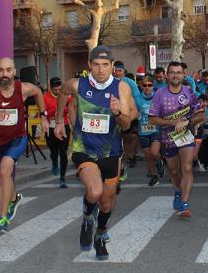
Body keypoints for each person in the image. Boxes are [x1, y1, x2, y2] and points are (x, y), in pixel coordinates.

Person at [54, 45, 135, 260]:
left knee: (107, 202)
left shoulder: (122, 88)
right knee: (95, 191)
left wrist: (118, 112)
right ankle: (87, 216)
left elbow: (126, 125)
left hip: (111, 151)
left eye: (105, 65)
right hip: (84, 148)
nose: (101, 70)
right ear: (89, 65)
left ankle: (100, 236)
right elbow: (62, 93)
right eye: (96, 65)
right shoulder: (77, 85)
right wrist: (59, 121)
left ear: (112, 66)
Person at [0, 57, 45, 232]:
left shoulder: (23, 88)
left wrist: (43, 115)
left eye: (8, 70)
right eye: (1, 70)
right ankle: (14, 199)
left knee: (5, 171)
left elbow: (38, 92)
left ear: (14, 71)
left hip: (17, 138)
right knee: (1, 175)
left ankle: (3, 217)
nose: (4, 74)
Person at [149, 61, 206, 218]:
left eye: (178, 72)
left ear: (183, 75)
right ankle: (178, 190)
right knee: (174, 171)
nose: (175, 75)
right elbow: (152, 119)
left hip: (185, 136)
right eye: (172, 72)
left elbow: (202, 115)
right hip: (167, 138)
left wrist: (187, 122)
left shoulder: (189, 92)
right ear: (167, 75)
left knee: (187, 167)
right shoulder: (160, 93)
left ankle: (185, 203)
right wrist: (172, 122)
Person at [113, 61, 142, 183]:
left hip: (127, 115)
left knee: (126, 141)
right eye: (116, 70)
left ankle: (123, 164)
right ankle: (115, 166)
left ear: (124, 71)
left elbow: (137, 98)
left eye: (120, 70)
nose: (117, 73)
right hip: (113, 117)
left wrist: (137, 113)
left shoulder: (130, 83)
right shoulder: (108, 82)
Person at [41, 77, 71, 188]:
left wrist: (64, 109)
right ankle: (54, 161)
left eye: (59, 89)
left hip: (64, 125)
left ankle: (62, 178)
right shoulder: (44, 97)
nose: (58, 92)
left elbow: (71, 108)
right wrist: (56, 110)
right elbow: (44, 112)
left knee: (63, 153)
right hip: (50, 126)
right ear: (51, 88)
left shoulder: (66, 96)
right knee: (53, 150)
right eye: (55, 90)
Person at [137, 77, 163, 186]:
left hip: (155, 129)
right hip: (143, 130)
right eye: (144, 85)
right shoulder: (137, 98)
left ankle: (159, 161)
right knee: (147, 155)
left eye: (149, 85)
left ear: (153, 86)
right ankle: (154, 176)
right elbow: (134, 111)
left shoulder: (158, 97)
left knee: (154, 152)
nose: (147, 88)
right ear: (141, 86)